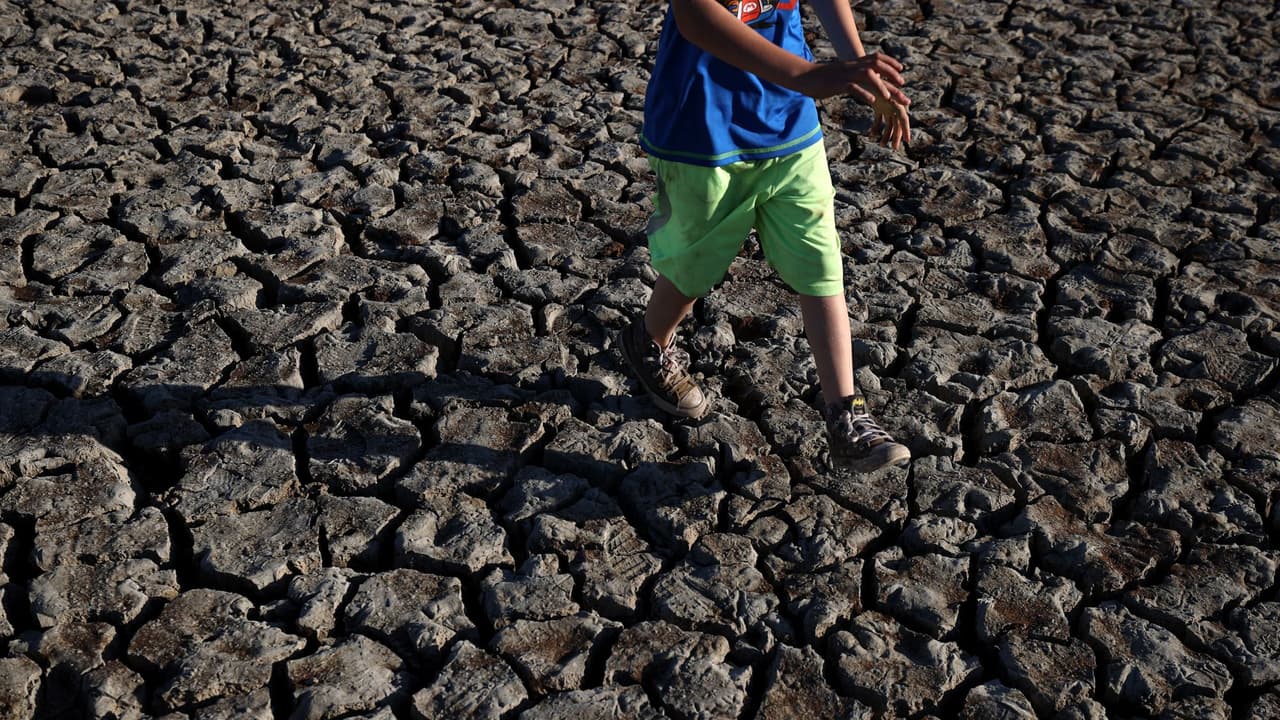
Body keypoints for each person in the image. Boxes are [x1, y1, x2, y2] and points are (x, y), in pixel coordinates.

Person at [618, 0, 913, 473]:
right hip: (702, 133)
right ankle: (648, 340)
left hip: (789, 128)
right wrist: (807, 76)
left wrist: (858, 70)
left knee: (820, 265)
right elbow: (696, 17)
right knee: (694, 268)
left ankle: (847, 418)